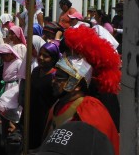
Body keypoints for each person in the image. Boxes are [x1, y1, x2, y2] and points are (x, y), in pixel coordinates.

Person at [43, 26, 121, 155]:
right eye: (55, 77)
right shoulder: (58, 105)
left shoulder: (90, 108)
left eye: (59, 78)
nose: (53, 81)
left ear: (76, 84)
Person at [27, 42, 61, 150]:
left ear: (53, 58)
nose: (41, 58)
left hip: (44, 118)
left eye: (45, 56)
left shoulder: (55, 76)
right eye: (40, 54)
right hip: (31, 114)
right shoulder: (36, 71)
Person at [0, 43, 23, 142]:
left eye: (4, 55)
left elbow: (20, 78)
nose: (3, 57)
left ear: (10, 54)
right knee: (3, 113)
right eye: (1, 55)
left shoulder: (18, 62)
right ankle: (4, 136)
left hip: (14, 89)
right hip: (5, 87)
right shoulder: (5, 63)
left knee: (11, 111)